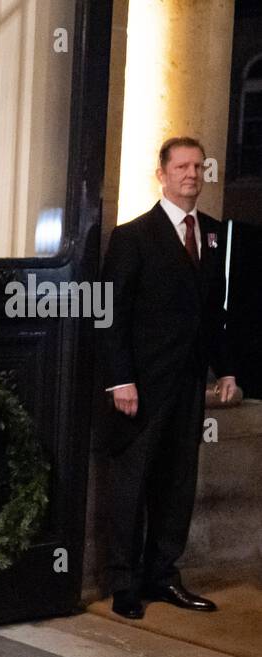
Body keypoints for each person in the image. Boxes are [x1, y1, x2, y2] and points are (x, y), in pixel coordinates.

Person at [100, 136, 237, 620]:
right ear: (161, 174)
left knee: (178, 483)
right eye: (182, 167)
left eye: (199, 167)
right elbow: (110, 313)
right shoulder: (134, 236)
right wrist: (119, 380)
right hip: (140, 387)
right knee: (131, 483)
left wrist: (227, 369)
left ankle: (163, 575)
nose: (192, 175)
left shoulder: (214, 234)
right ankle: (123, 583)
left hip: (188, 388)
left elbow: (214, 312)